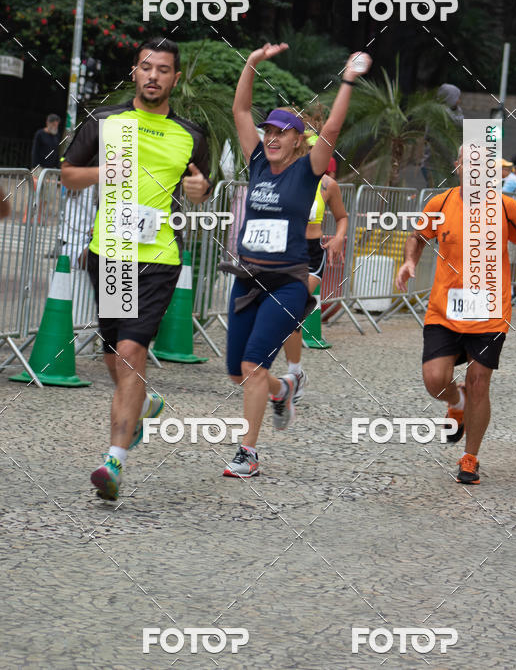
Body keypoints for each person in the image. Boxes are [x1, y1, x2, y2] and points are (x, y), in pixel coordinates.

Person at [61, 38, 212, 500]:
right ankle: (143, 404)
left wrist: (200, 188)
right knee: (114, 354)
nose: (153, 76)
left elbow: (199, 189)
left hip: (159, 258)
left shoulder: (191, 134)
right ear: (134, 72)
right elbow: (68, 174)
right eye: (146, 67)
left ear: (175, 79)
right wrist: (108, 171)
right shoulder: (106, 121)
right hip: (109, 253)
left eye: (163, 70)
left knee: (130, 351)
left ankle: (113, 462)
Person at [221, 44, 370, 478]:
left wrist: (346, 80)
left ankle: (247, 453)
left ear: (298, 139)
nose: (271, 136)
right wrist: (250, 64)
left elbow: (334, 130)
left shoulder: (309, 170)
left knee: (253, 364)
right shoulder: (258, 165)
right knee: (237, 373)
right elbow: (241, 112)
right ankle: (282, 388)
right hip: (247, 277)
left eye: (281, 131)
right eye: (269, 130)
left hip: (287, 281)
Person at [396, 146, 516, 485]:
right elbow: (417, 237)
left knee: (480, 381)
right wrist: (410, 262)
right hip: (444, 309)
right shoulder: (440, 204)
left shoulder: (506, 207)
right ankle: (455, 399)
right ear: (458, 166)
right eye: (468, 162)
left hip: (490, 312)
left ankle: (470, 457)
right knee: (435, 380)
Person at [282, 130, 349, 397]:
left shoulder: (327, 185)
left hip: (310, 254)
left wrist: (338, 239)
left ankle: (292, 375)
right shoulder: (282, 176)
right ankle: (295, 373)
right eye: (306, 149)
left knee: (289, 309)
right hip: (281, 252)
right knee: (279, 316)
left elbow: (342, 217)